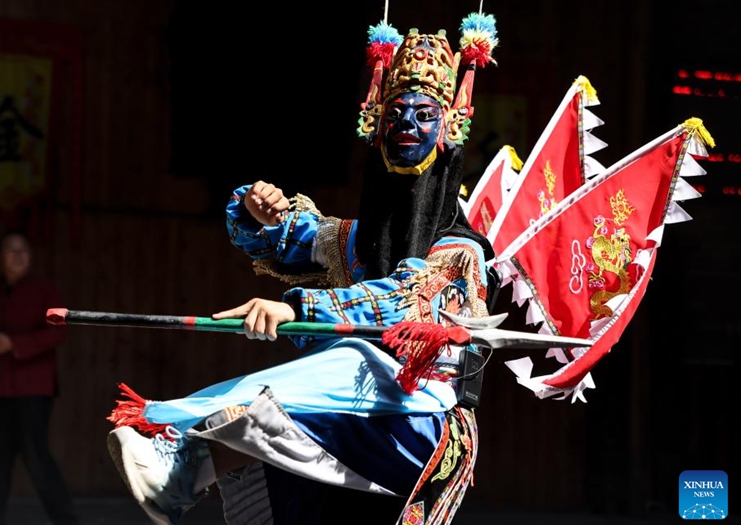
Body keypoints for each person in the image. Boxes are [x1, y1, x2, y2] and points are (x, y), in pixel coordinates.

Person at [106, 13, 500, 525]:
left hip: (424, 426)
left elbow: (404, 301)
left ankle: (174, 436)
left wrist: (297, 308)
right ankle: (185, 473)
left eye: (424, 114)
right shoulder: (358, 241)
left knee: (352, 355)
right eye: (396, 113)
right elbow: (295, 237)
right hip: (350, 419)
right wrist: (259, 213)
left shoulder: (460, 251)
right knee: (268, 414)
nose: (407, 124)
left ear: (448, 130)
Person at [0, 231, 79, 525]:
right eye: (11, 250)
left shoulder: (44, 291)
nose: (18, 256)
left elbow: (57, 332)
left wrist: (13, 344)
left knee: (37, 459)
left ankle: (67, 522)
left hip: (34, 387)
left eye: (23, 250)